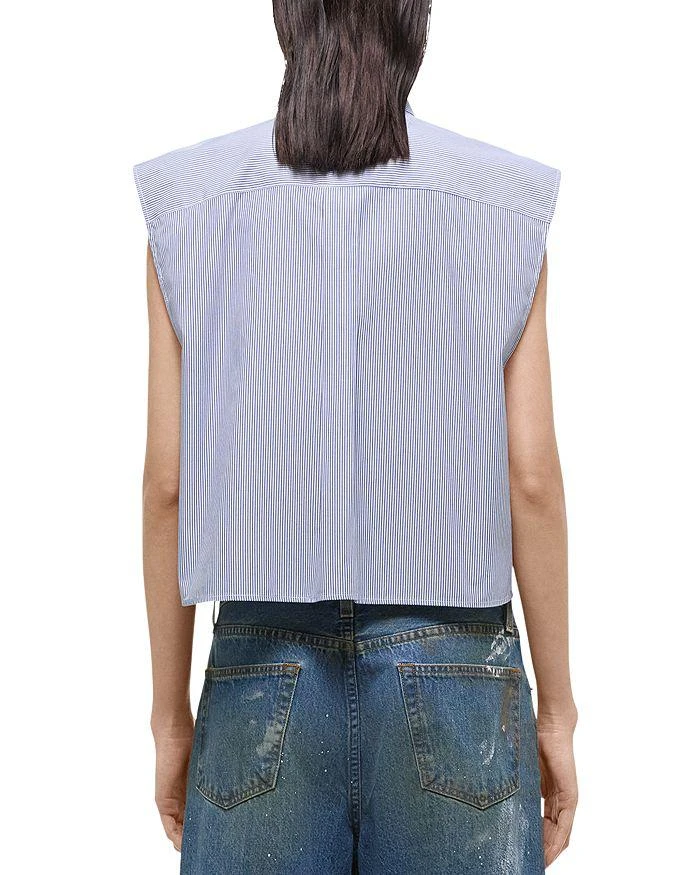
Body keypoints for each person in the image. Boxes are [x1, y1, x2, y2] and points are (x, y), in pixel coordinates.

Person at [134, 2, 578, 872]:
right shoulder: (503, 202)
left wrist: (169, 718)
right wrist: (556, 714)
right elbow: (531, 479)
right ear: (415, 22)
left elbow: (166, 486)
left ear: (286, 20)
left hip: (259, 661)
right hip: (458, 664)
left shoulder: (188, 206)